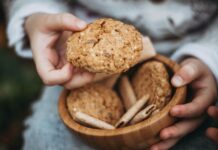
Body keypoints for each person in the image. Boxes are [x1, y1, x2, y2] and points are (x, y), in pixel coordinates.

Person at [4, 0, 218, 149]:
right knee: (46, 137)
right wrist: (36, 15)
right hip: (77, 65)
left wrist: (209, 57)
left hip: (198, 57)